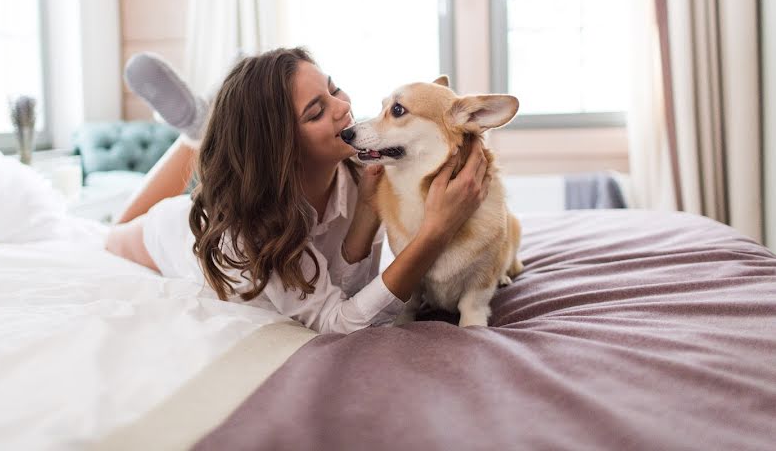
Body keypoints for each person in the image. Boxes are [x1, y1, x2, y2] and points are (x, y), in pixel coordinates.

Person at [105, 48, 491, 334]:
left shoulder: (365, 171)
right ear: (283, 146)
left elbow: (344, 288)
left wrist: (365, 218)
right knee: (109, 236)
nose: (343, 107)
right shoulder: (249, 233)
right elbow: (337, 323)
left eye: (334, 89)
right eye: (316, 112)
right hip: (173, 233)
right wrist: (434, 233)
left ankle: (204, 129)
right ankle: (198, 133)